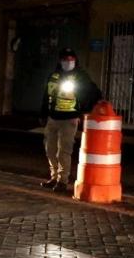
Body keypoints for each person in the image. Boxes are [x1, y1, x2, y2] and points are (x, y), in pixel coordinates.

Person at [40, 47, 103, 192]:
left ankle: (62, 181)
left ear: (75, 60)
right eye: (65, 59)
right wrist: (43, 114)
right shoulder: (54, 76)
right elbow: (46, 96)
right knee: (50, 150)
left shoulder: (80, 76)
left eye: (71, 59)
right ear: (60, 61)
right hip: (52, 118)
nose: (68, 62)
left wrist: (83, 109)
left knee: (64, 151)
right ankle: (54, 177)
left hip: (69, 119)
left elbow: (94, 92)